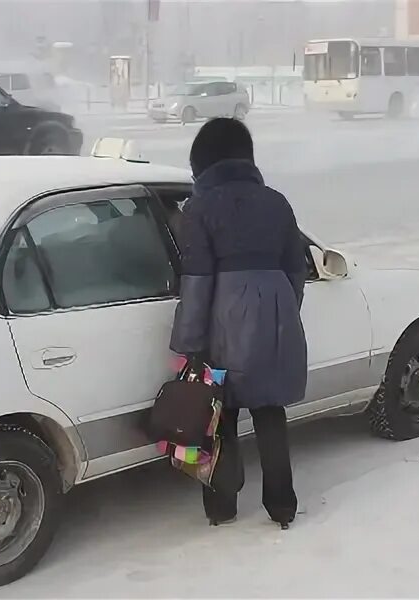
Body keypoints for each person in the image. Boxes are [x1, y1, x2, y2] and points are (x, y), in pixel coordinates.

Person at [170, 118, 308, 530]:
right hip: (276, 316)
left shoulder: (199, 209)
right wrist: (284, 311)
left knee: (220, 417)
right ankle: (282, 506)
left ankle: (221, 506)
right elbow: (296, 271)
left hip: (224, 321)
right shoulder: (277, 202)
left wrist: (189, 342)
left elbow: (196, 282)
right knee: (270, 413)